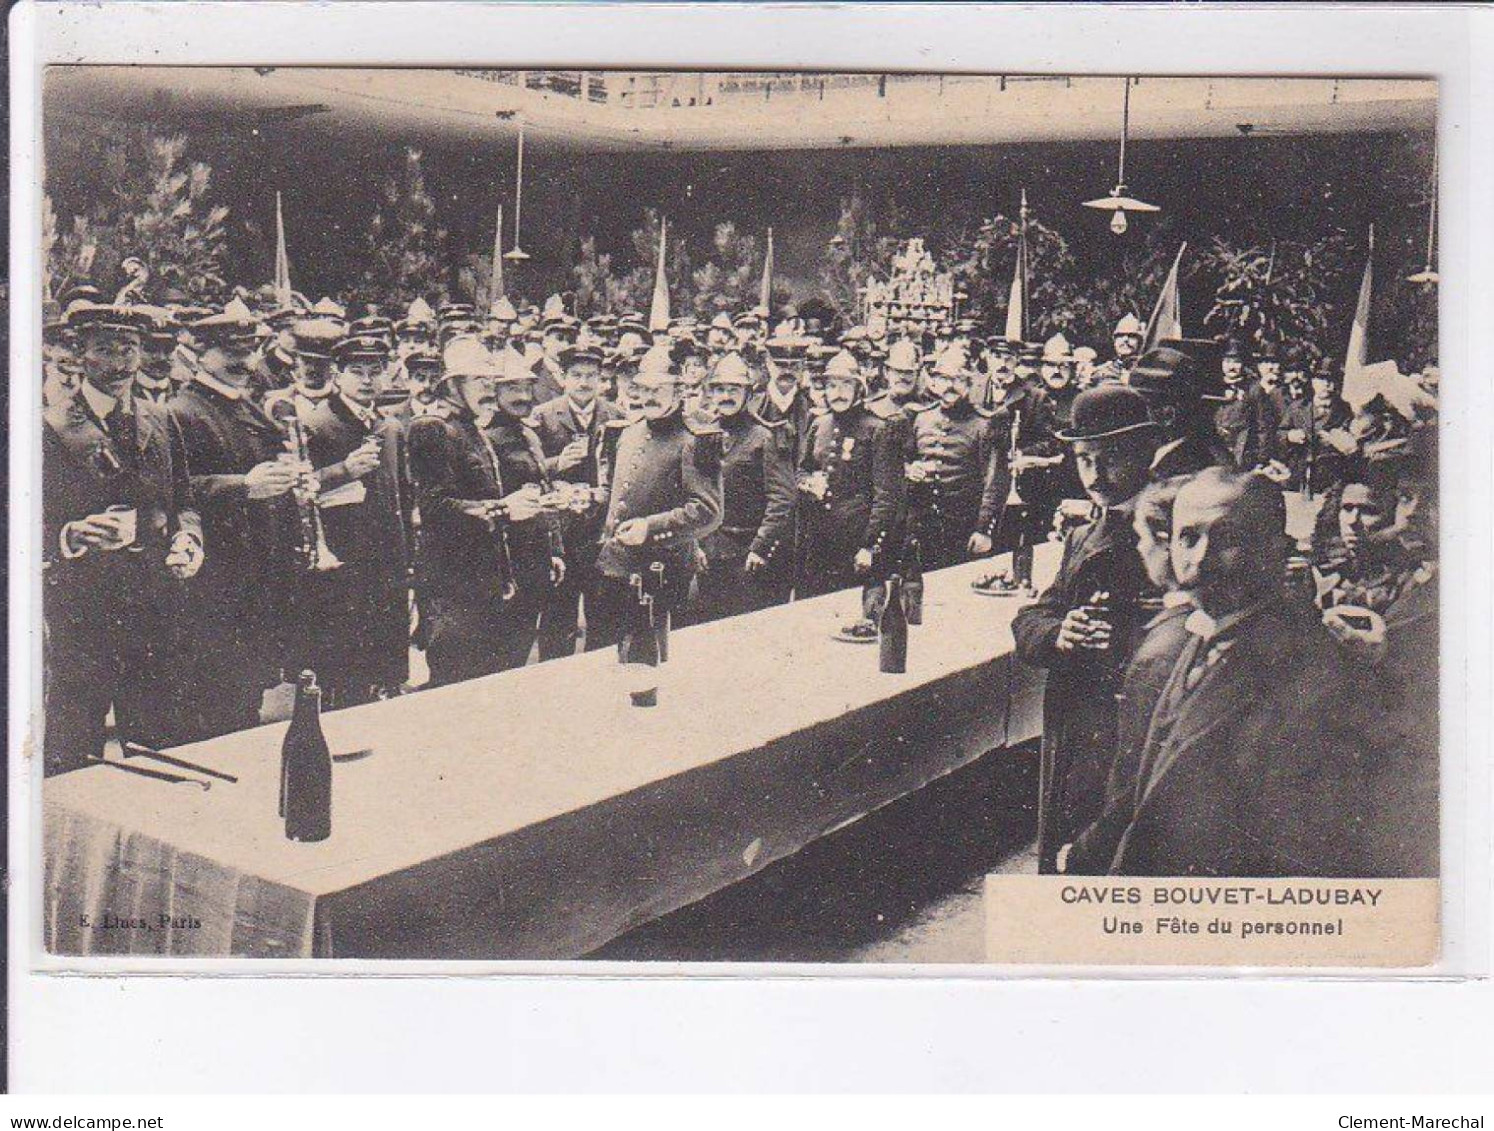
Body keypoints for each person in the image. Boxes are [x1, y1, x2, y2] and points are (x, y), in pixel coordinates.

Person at [1106, 468, 1379, 877]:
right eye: (1188, 536)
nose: (1198, 558)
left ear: (1276, 550)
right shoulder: (1199, 633)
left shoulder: (1310, 666)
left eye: (1228, 539)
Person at [43, 301, 204, 773]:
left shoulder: (160, 418)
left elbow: (184, 501)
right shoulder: (49, 426)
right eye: (105, 350)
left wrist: (189, 539)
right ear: (79, 355)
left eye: (128, 349)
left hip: (154, 603)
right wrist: (70, 534)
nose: (119, 364)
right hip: (83, 608)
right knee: (74, 746)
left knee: (158, 739)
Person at [1012, 384, 1162, 872]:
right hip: (1076, 718)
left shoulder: (1167, 531)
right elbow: (1032, 616)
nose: (1095, 474)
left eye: (1110, 458)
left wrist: (1119, 641)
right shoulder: (1083, 534)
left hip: (1131, 723)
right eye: (1085, 460)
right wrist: (1059, 633)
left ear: (1144, 453)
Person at [168, 297, 305, 740]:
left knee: (247, 696)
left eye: (248, 352)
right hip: (215, 576)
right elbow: (175, 490)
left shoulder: (246, 408)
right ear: (200, 353)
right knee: (215, 701)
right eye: (230, 353)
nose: (243, 362)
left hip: (256, 573)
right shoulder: (183, 411)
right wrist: (244, 485)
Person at [407, 339, 564, 683]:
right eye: (479, 381)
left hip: (487, 581)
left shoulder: (471, 426)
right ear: (452, 384)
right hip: (454, 585)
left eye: (490, 381)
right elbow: (434, 508)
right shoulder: (432, 428)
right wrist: (503, 510)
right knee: (458, 682)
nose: (488, 389)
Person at [1059, 475, 1194, 874]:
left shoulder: (1160, 650)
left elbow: (1131, 784)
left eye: (1142, 539)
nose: (1138, 548)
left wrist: (1084, 853)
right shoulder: (1193, 627)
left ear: (1168, 544)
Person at [297, 332, 414, 707]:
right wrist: (343, 471)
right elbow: (297, 491)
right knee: (344, 673)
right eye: (357, 372)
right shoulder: (317, 424)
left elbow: (402, 494)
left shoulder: (390, 427)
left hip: (387, 565)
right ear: (337, 374)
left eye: (375, 371)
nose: (367, 381)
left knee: (386, 668)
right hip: (343, 567)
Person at [591, 343, 723, 649]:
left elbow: (707, 510)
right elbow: (615, 493)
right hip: (615, 565)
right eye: (643, 389)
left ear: (678, 393)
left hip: (662, 570)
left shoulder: (694, 441)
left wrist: (649, 528)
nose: (648, 397)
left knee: (649, 660)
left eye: (658, 390)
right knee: (612, 655)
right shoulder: (627, 431)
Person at [681, 351, 797, 624]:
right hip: (707, 555)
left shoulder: (765, 437)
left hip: (748, 557)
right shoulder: (702, 433)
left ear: (747, 393)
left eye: (734, 389)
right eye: (719, 389)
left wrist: (760, 546)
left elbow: (782, 499)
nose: (726, 396)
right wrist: (694, 544)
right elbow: (691, 493)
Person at [796, 349, 907, 630]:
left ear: (859, 388)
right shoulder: (819, 424)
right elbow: (802, 468)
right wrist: (809, 483)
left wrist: (870, 545)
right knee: (818, 621)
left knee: (859, 627)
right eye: (832, 385)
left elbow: (887, 496)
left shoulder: (878, 429)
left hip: (858, 546)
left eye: (846, 385)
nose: (838, 392)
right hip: (821, 543)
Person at [530, 340, 626, 657]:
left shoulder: (617, 416)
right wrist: (557, 463)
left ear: (601, 380)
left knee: (604, 617)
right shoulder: (543, 416)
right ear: (564, 378)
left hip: (599, 533)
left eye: (591, 375)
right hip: (560, 532)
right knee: (557, 617)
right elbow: (528, 470)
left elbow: (624, 472)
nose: (584, 383)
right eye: (576, 375)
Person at [905, 344, 1009, 570]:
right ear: (934, 383)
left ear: (969, 384)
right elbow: (900, 463)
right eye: (944, 379)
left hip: (963, 529)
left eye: (958, 379)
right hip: (921, 527)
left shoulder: (984, 425)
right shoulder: (920, 418)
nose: (950, 386)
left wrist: (984, 529)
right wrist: (909, 468)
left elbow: (995, 482)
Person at [1127, 344, 1233, 479]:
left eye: (1141, 406)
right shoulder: (1214, 452)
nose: (1134, 416)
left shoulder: (1185, 466)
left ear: (1167, 414)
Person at [1089, 313, 1145, 385]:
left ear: (1140, 342)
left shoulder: (1146, 371)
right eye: (1120, 335)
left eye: (1132, 336)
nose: (1125, 339)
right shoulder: (1100, 373)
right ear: (1114, 341)